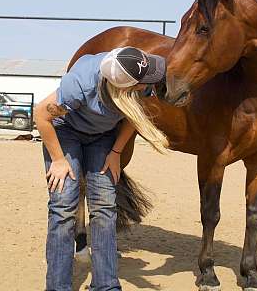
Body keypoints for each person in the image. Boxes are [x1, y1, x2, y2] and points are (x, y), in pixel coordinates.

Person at [34, 46, 168, 291]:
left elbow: (133, 116)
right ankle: (57, 286)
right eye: (142, 83)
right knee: (63, 208)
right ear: (124, 87)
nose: (148, 85)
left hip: (102, 137)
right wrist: (58, 159)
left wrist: (116, 152)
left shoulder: (135, 78)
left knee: (105, 207)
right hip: (66, 132)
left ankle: (106, 285)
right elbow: (42, 115)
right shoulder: (81, 84)